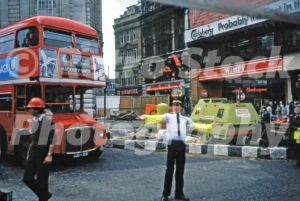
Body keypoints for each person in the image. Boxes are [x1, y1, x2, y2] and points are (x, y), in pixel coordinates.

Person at [139, 100, 194, 201]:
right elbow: (159, 117)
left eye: (178, 105)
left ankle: (179, 194)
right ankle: (165, 194)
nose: (176, 107)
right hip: (171, 144)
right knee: (169, 169)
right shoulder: (168, 116)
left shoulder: (185, 119)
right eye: (174, 105)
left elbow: (196, 126)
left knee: (180, 170)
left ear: (181, 107)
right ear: (172, 107)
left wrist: (210, 126)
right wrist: (148, 117)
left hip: (181, 145)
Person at [23, 98, 56, 201]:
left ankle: (43, 198)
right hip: (33, 152)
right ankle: (45, 195)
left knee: (42, 179)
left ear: (37, 110)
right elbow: (33, 138)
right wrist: (29, 152)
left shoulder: (47, 122)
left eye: (30, 108)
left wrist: (49, 154)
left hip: (43, 152)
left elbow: (52, 140)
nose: (28, 110)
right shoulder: (34, 121)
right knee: (27, 179)